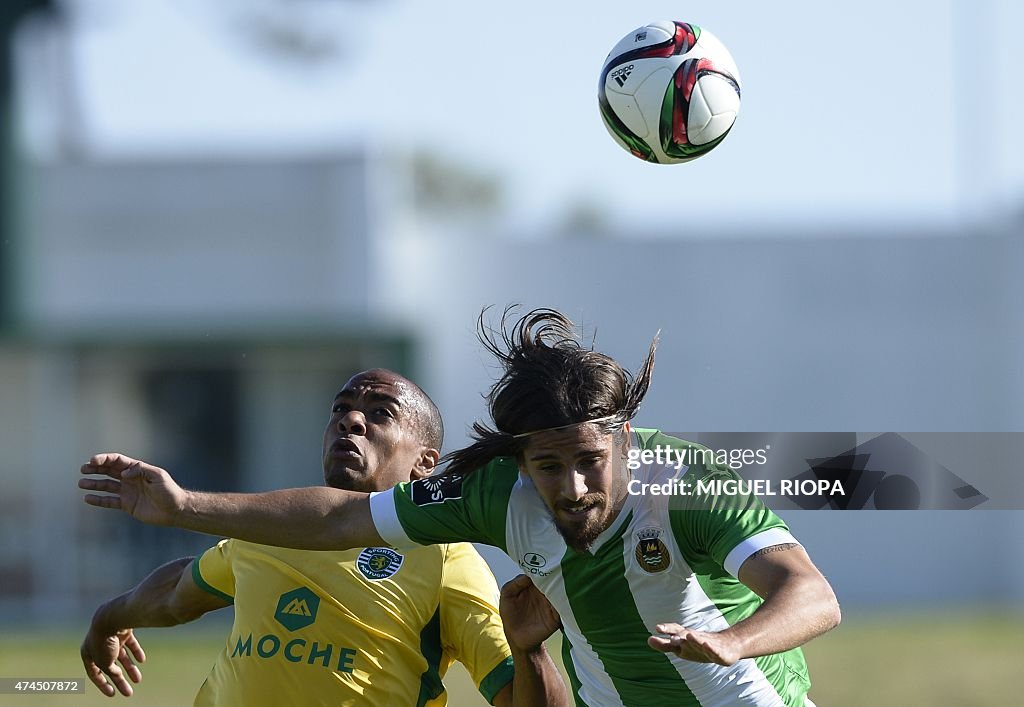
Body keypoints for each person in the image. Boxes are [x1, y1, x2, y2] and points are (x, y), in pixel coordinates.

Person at [81, 310, 841, 707]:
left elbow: (810, 592)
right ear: (518, 460)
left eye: (590, 462)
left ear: (626, 441)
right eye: (549, 466)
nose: (573, 487)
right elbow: (339, 519)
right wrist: (183, 505)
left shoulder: (685, 486)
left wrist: (737, 640)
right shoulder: (492, 495)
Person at [80, 368, 569, 707]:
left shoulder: (446, 559)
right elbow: (177, 593)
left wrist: (530, 652)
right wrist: (108, 619)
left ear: (425, 463)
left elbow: (518, 698)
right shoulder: (272, 526)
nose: (351, 418)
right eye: (342, 407)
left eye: (381, 413)